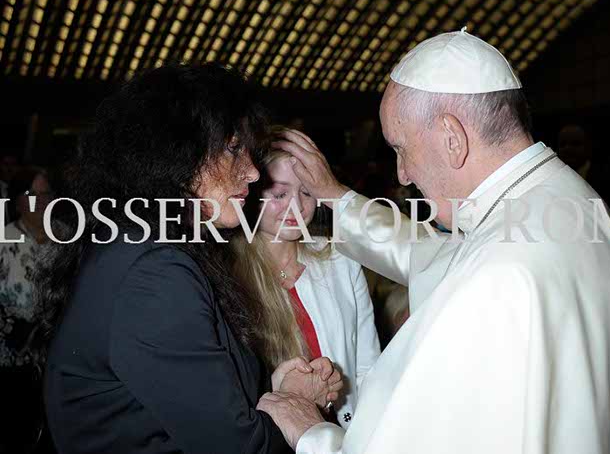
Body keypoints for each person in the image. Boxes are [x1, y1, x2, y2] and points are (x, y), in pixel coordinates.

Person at [257, 31, 610, 453]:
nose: (402, 176)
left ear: (452, 137)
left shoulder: (498, 275)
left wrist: (314, 435)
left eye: (400, 149)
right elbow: (434, 255)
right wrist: (339, 197)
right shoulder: (559, 199)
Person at [38, 64, 342, 454]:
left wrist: (276, 392)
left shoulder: (138, 244)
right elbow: (234, 446)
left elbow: (182, 404)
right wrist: (295, 412)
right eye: (233, 148)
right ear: (176, 155)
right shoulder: (154, 271)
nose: (252, 172)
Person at [232, 147, 380, 428]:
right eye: (279, 194)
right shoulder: (227, 277)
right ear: (250, 193)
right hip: (272, 435)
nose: (296, 207)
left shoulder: (341, 259)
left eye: (307, 192)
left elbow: (369, 366)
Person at [0, 167, 53, 452]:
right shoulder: (4, 239)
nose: (41, 201)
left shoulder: (67, 238)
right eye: (33, 194)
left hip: (54, 362)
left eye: (46, 194)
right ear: (18, 200)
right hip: (12, 364)